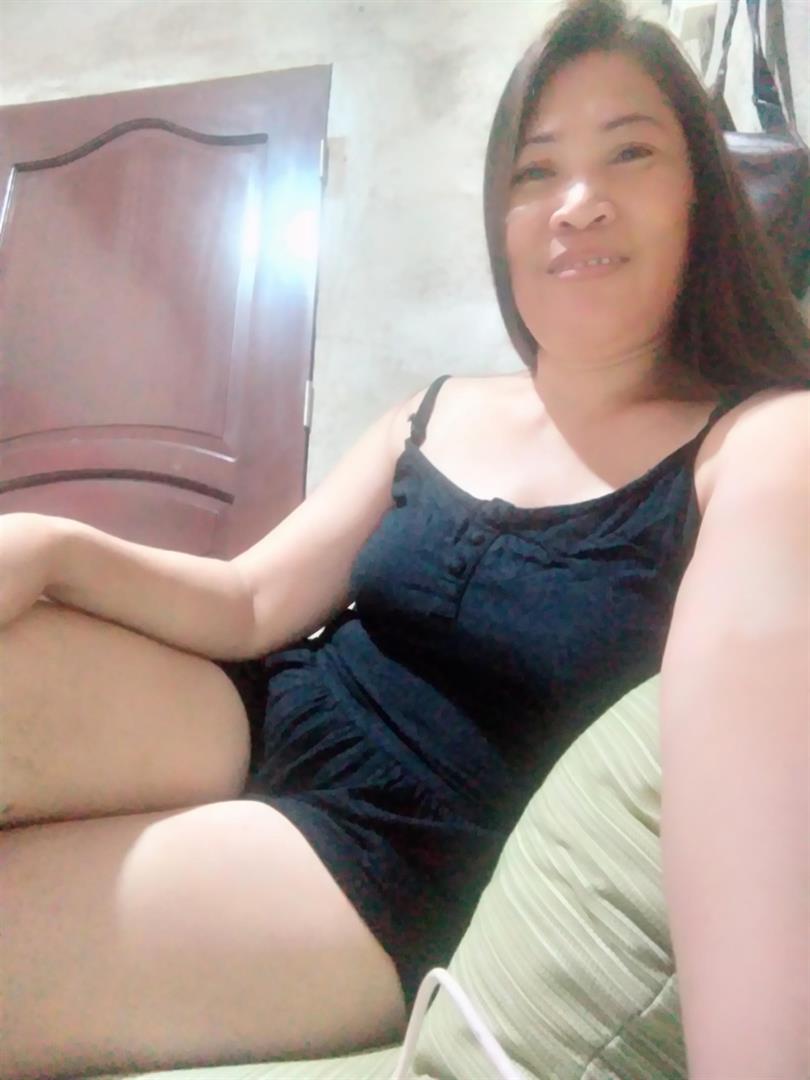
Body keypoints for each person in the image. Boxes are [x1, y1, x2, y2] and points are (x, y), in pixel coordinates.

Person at [1, 0, 808, 1076]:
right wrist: (51, 548)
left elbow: (751, 799)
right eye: (535, 170)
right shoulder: (431, 411)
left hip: (388, 858)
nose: (578, 203)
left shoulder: (760, 445)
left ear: (704, 195)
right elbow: (249, 601)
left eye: (630, 152)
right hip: (256, 707)